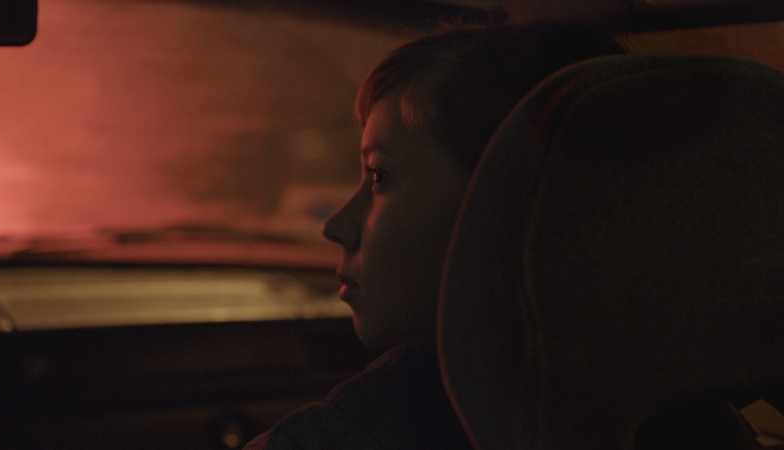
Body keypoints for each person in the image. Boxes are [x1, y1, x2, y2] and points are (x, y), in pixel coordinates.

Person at [244, 24, 624, 450]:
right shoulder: (649, 391)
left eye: (378, 176)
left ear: (504, 202)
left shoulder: (372, 428)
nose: (335, 226)